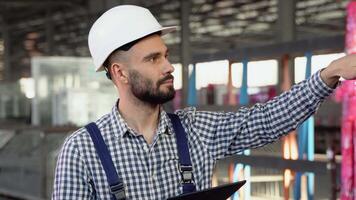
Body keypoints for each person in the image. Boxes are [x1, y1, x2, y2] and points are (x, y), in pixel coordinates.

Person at [52, 4, 356, 200]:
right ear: (120, 73)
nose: (169, 66)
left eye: (166, 55)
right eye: (153, 59)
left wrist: (330, 74)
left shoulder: (195, 129)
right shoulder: (82, 149)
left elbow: (265, 120)